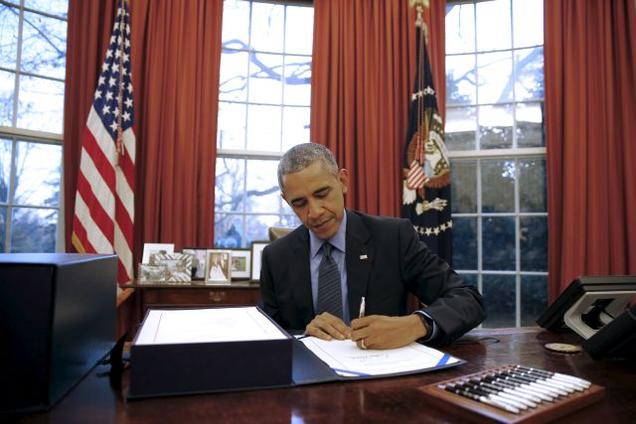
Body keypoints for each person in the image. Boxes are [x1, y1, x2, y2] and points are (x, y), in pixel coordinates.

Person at [260, 143, 485, 349]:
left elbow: (469, 300)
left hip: (382, 377)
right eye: (299, 203)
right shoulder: (275, 257)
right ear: (286, 201)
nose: (315, 211)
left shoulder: (393, 238)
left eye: (322, 194)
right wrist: (300, 336)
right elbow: (267, 336)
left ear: (343, 181)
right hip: (309, 382)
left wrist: (415, 325)